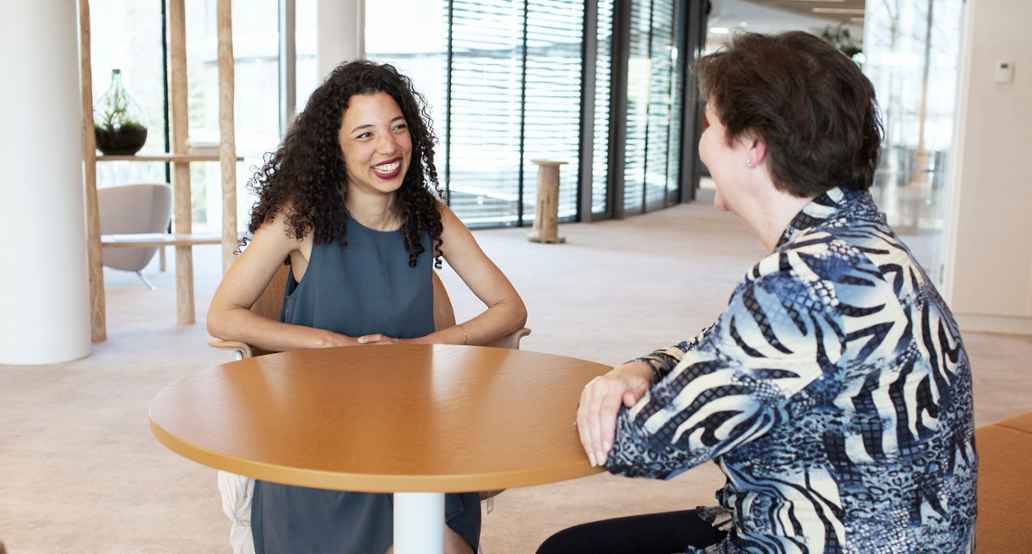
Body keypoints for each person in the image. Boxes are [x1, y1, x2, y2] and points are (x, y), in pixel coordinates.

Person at [544, 31, 976, 554]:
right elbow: (719, 346)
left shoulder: (805, 284)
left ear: (752, 144)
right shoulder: (857, 242)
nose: (702, 142)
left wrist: (604, 394)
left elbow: (643, 446)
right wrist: (644, 367)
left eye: (709, 124)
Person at [207, 60, 527, 554]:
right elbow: (223, 313)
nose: (388, 146)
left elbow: (509, 307)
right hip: (316, 451)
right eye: (365, 134)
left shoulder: (429, 215)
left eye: (398, 127)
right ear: (333, 150)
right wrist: (332, 346)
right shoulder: (301, 218)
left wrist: (416, 348)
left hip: (414, 441)